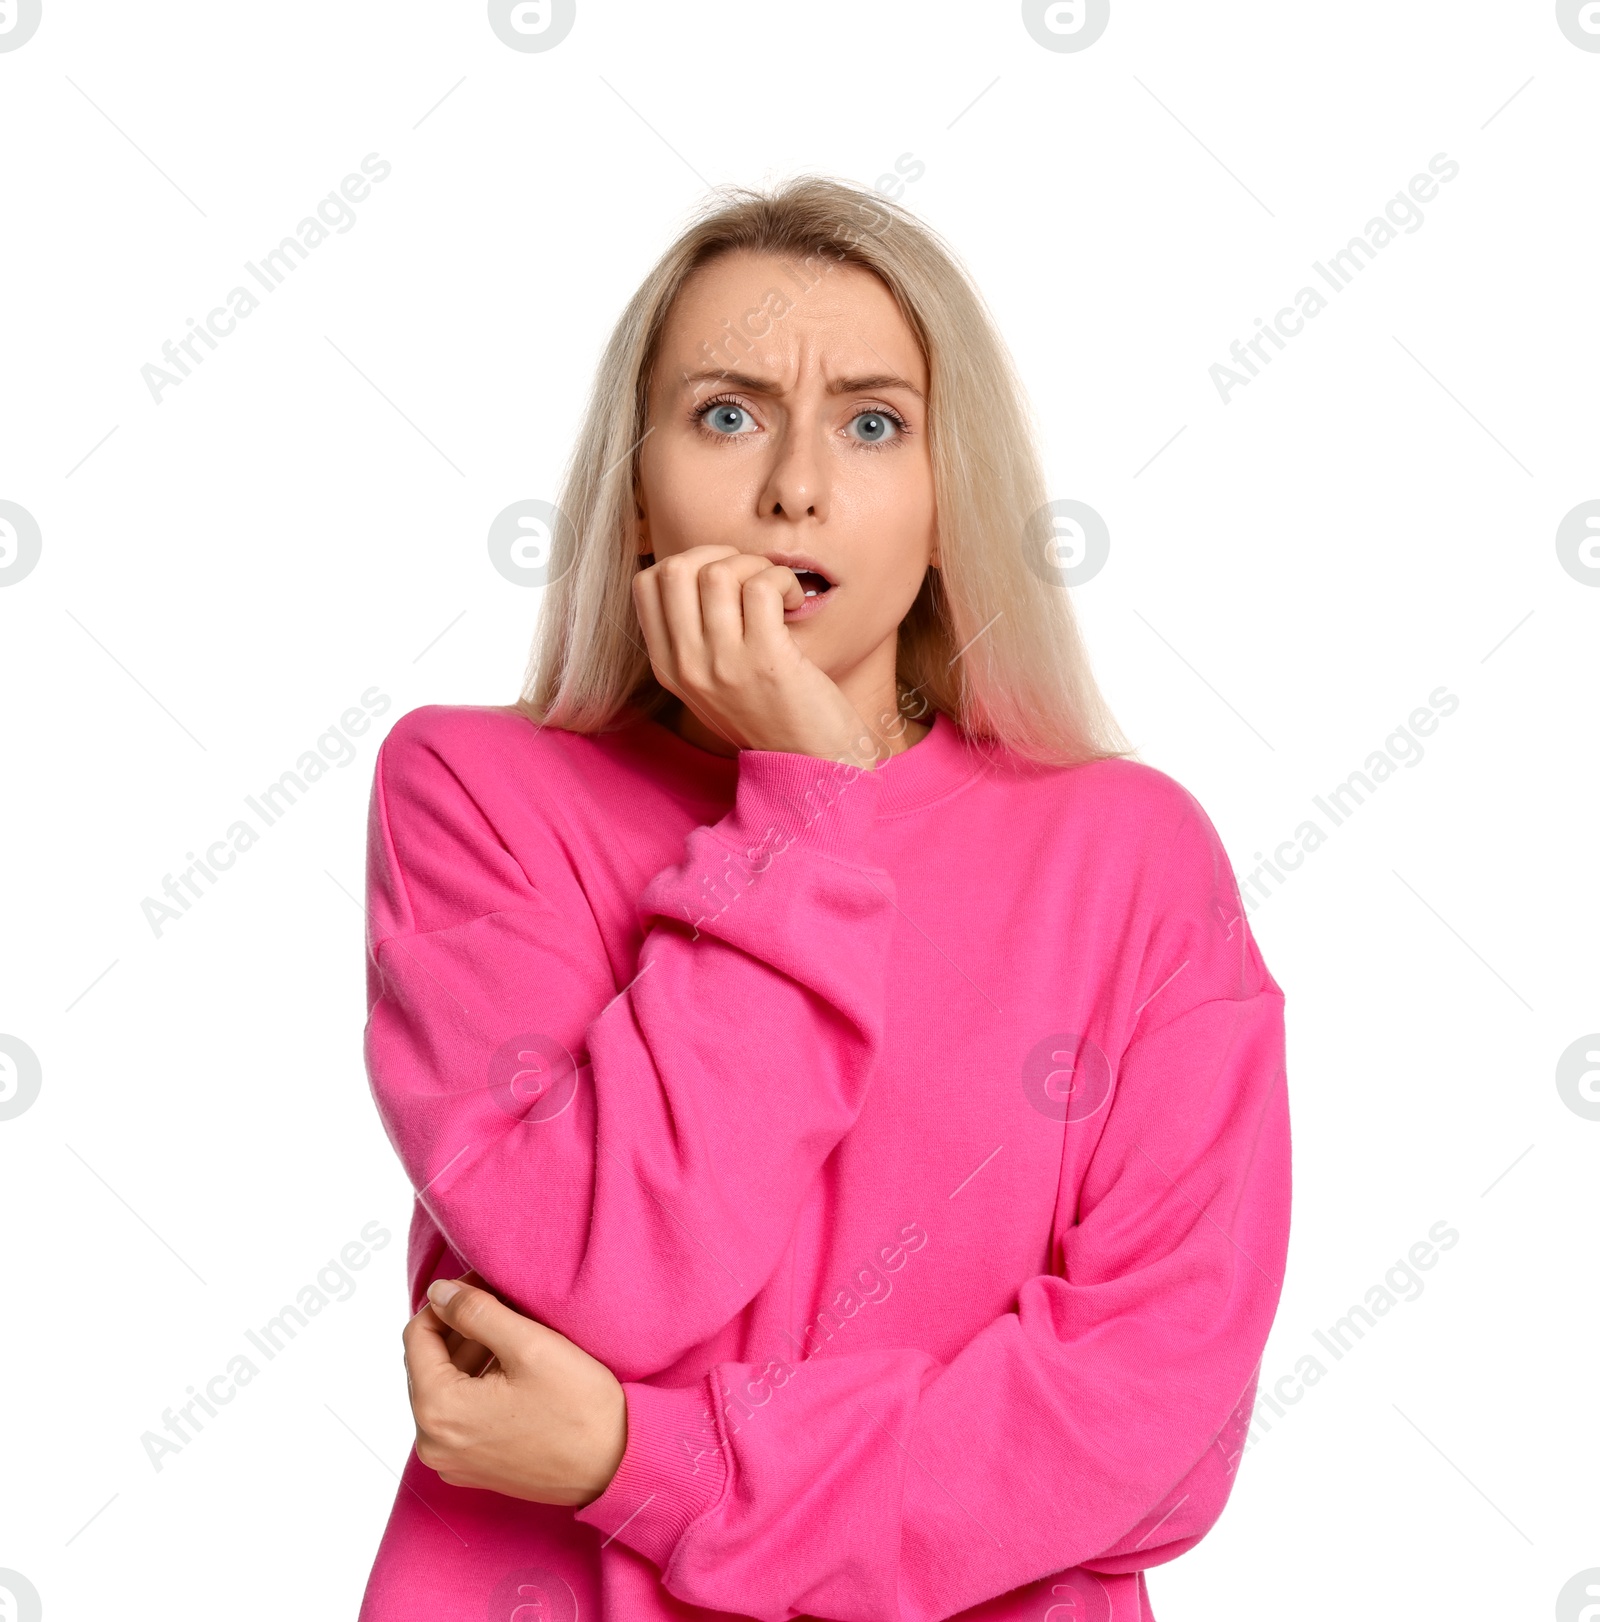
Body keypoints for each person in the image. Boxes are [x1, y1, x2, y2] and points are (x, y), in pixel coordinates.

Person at [356, 175, 1291, 1622]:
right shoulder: (472, 793)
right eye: (726, 414)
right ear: (638, 490)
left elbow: (1148, 1435)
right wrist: (804, 796)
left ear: (943, 500)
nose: (796, 484)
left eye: (873, 422)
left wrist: (635, 1454)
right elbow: (614, 1273)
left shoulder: (1130, 858)